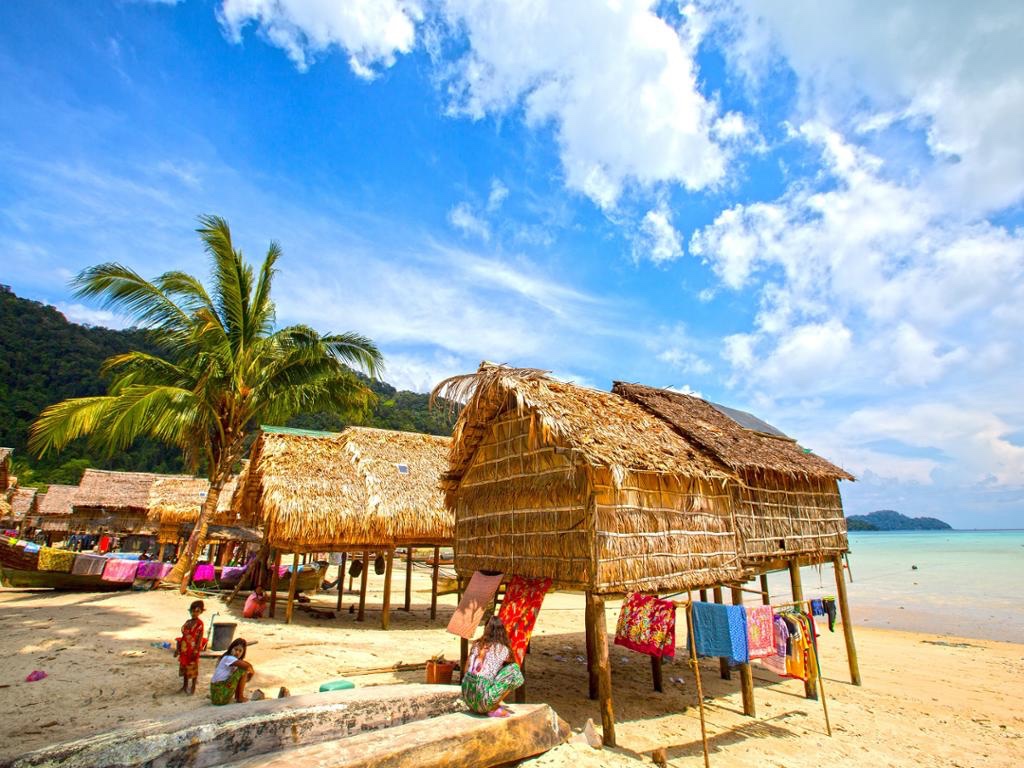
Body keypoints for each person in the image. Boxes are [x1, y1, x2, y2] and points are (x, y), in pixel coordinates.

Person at [460, 616, 524, 717]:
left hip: (467, 698)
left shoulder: (476, 645)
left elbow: (466, 669)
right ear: (502, 631)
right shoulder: (503, 649)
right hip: (482, 702)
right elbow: (513, 667)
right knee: (514, 670)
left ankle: (482, 702)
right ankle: (492, 707)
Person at [174, 600, 207, 694]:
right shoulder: (188, 622)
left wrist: (196, 650)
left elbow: (200, 638)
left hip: (193, 649)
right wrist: (178, 648)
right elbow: (183, 636)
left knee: (193, 667)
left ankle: (192, 686)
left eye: (197, 611)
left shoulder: (200, 624)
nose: (194, 613)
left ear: (201, 612)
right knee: (184, 667)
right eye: (193, 611)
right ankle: (184, 686)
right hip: (185, 649)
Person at [210, 638, 255, 705]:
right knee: (243, 670)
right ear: (231, 649)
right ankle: (240, 697)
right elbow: (247, 666)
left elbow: (246, 664)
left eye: (240, 651)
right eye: (236, 649)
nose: (237, 653)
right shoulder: (228, 658)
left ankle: (238, 696)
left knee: (240, 669)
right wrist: (252, 673)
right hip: (220, 696)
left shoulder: (229, 659)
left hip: (217, 696)